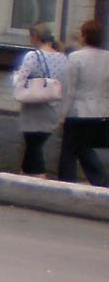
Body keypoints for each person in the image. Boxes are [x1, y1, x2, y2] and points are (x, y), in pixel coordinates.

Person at [55, 18, 109, 186]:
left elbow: (69, 90)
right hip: (101, 112)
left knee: (69, 153)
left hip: (78, 112)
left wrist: (61, 115)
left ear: (84, 36)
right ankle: (101, 182)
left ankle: (66, 185)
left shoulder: (75, 58)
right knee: (84, 147)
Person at [11, 23, 67, 177]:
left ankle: (41, 176)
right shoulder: (63, 57)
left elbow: (21, 78)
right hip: (53, 105)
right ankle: (24, 175)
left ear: (35, 37)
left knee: (33, 143)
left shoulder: (33, 56)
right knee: (34, 143)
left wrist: (15, 78)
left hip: (34, 106)